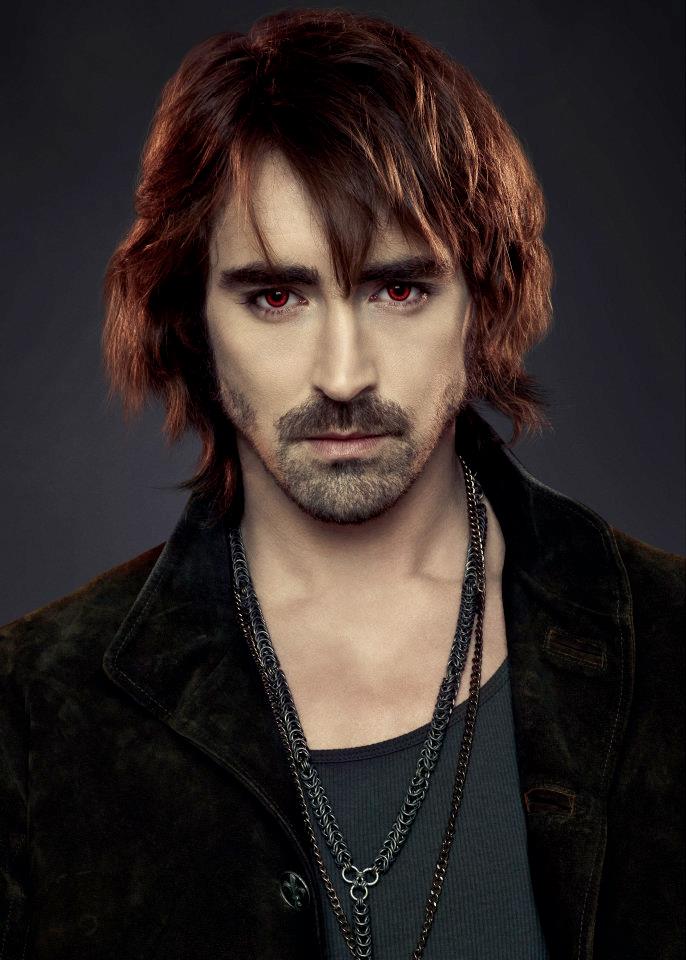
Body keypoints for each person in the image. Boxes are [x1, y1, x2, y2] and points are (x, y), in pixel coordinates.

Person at [1, 8, 683, 960]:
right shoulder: (31, 709)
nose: (344, 374)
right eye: (276, 296)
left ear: (482, 302)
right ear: (190, 318)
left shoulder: (668, 645)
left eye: (398, 289)